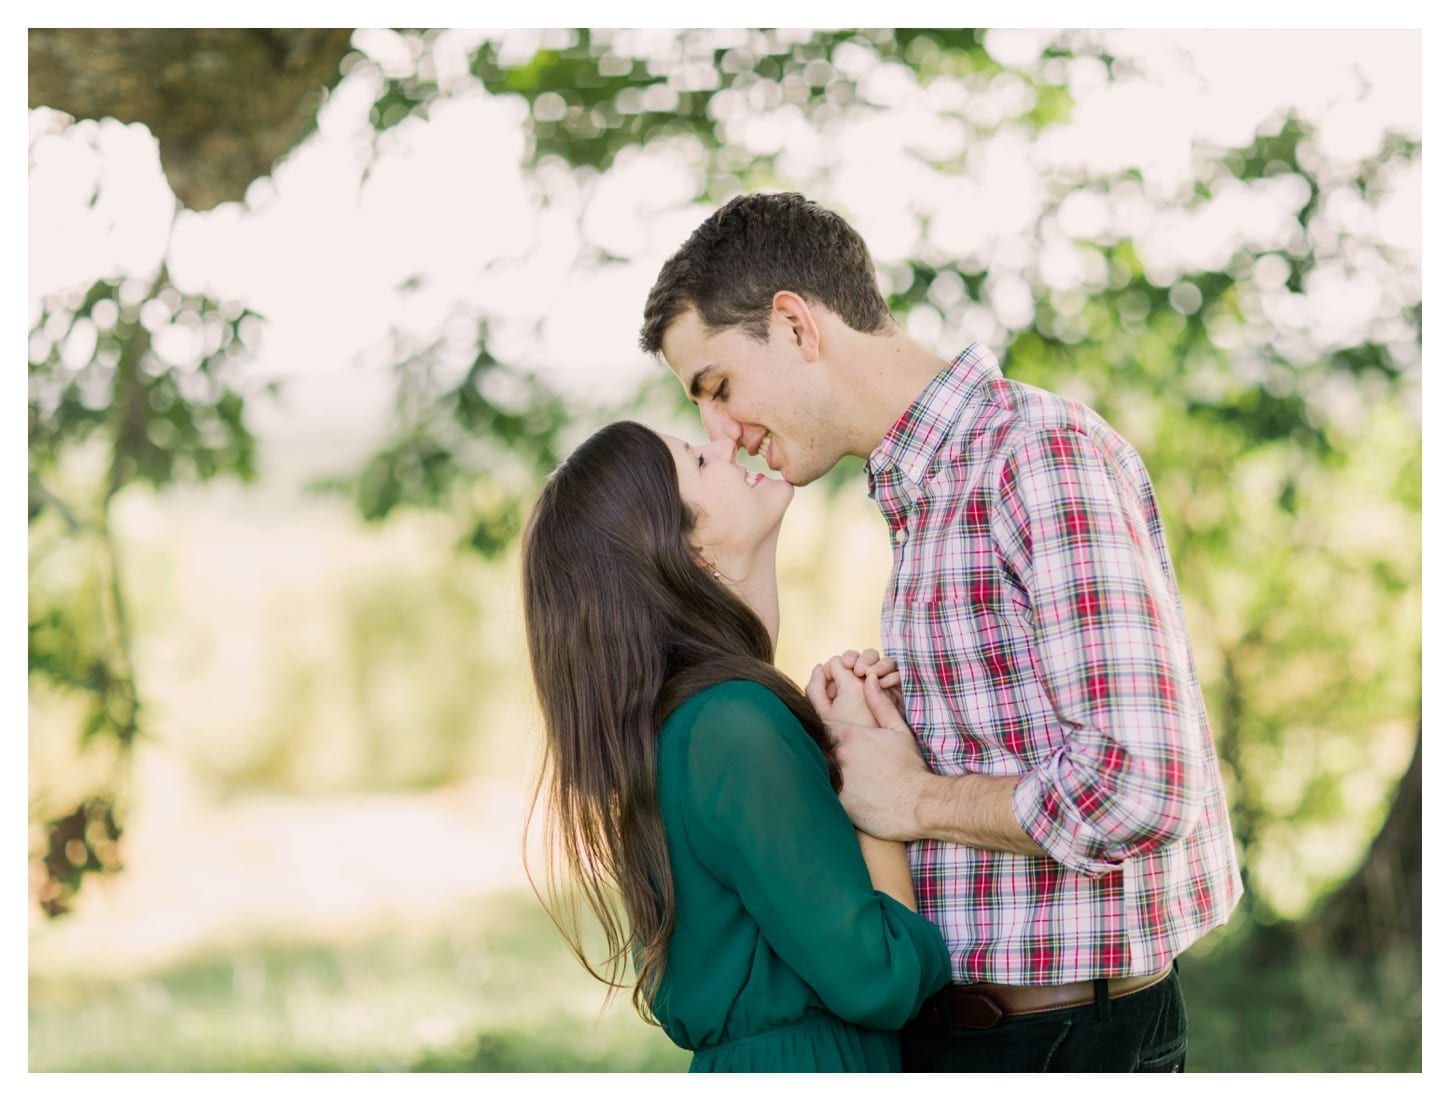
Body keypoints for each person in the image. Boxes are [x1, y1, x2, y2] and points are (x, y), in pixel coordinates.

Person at [639, 191, 1245, 1072]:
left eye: (719, 386)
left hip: (1060, 1042)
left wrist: (917, 799)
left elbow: (1140, 783)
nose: (719, 433)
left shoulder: (1034, 455)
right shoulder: (928, 492)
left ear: (797, 325)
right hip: (985, 1032)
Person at [520, 419, 951, 1073]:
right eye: (697, 458)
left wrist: (834, 741)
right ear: (688, 549)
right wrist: (877, 794)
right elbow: (880, 979)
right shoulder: (730, 724)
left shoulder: (703, 723)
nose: (725, 442)